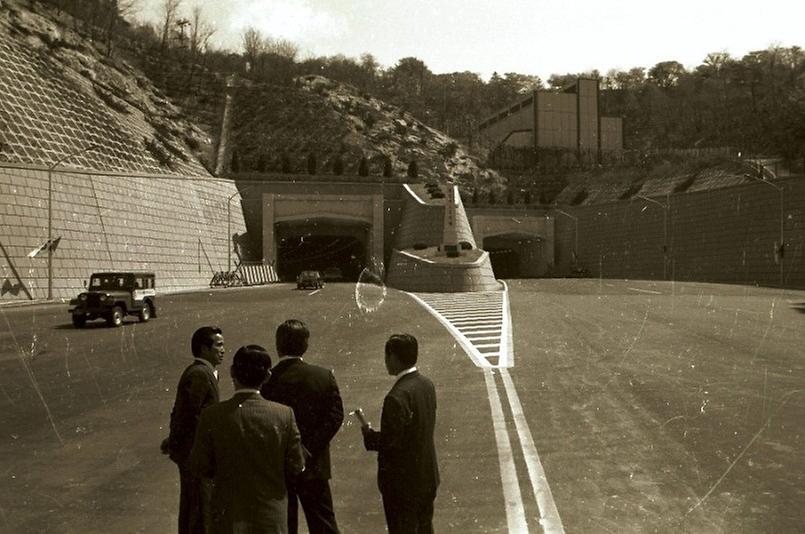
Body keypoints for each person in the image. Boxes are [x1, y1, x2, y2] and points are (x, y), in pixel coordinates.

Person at [189, 345, 305, 534]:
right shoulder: (284, 415)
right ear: (268, 376)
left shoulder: (212, 416)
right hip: (270, 516)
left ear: (232, 372)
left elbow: (200, 465)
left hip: (228, 517)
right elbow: (296, 465)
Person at [260, 319, 343, 534]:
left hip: (280, 466)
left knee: (286, 525)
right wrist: (308, 448)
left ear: (278, 346)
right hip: (314, 464)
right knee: (323, 524)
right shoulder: (323, 376)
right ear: (305, 345)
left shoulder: (267, 380)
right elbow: (335, 417)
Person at [361, 334, 439, 534]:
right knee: (425, 527)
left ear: (394, 358)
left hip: (403, 484)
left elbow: (391, 441)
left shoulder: (396, 397)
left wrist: (370, 436)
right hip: (426, 475)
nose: (386, 362)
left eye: (387, 356)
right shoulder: (426, 384)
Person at [162, 326, 225, 534]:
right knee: (198, 509)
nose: (223, 350)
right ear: (204, 349)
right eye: (219, 345)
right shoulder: (199, 374)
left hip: (194, 453)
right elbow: (188, 416)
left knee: (196, 507)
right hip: (195, 455)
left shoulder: (205, 372)